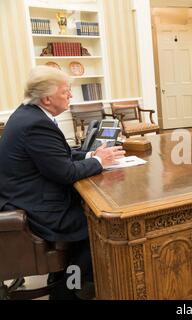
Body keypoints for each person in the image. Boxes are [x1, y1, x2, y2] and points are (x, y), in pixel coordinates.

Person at [0, 66, 125, 299]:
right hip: (34, 206)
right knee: (98, 227)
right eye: (66, 91)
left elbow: (57, 156)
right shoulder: (36, 124)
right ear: (47, 98)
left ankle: (65, 278)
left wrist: (90, 156)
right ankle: (67, 291)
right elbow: (65, 172)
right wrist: (99, 160)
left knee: (89, 210)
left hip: (25, 196)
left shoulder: (30, 115)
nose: (70, 96)